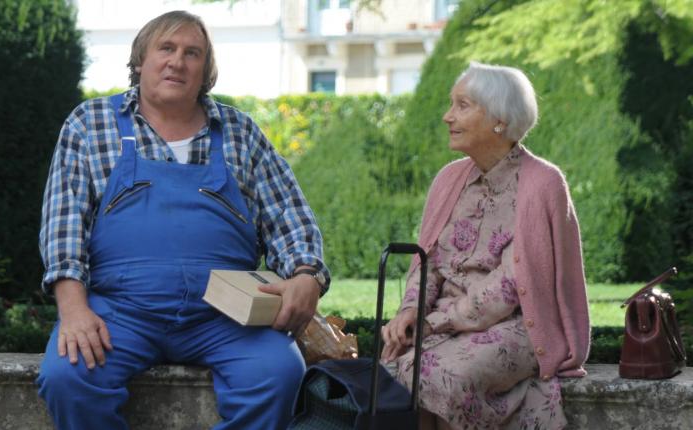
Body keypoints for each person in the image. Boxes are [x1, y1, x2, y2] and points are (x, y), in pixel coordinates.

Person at [35, 10, 330, 430]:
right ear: (140, 60)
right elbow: (62, 226)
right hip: (120, 311)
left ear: (205, 71)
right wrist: (73, 310)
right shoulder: (89, 124)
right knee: (68, 377)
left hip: (226, 315)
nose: (178, 61)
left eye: (193, 53)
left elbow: (290, 215)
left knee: (279, 375)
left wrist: (306, 275)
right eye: (167, 48)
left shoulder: (241, 132)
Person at [380, 62, 590, 429]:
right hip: (445, 321)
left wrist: (432, 324)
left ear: (499, 120)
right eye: (452, 104)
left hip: (517, 323)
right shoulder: (448, 179)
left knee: (442, 375)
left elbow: (508, 287)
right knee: (396, 368)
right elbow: (428, 261)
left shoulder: (543, 183)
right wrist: (411, 311)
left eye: (462, 105)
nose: (447, 116)